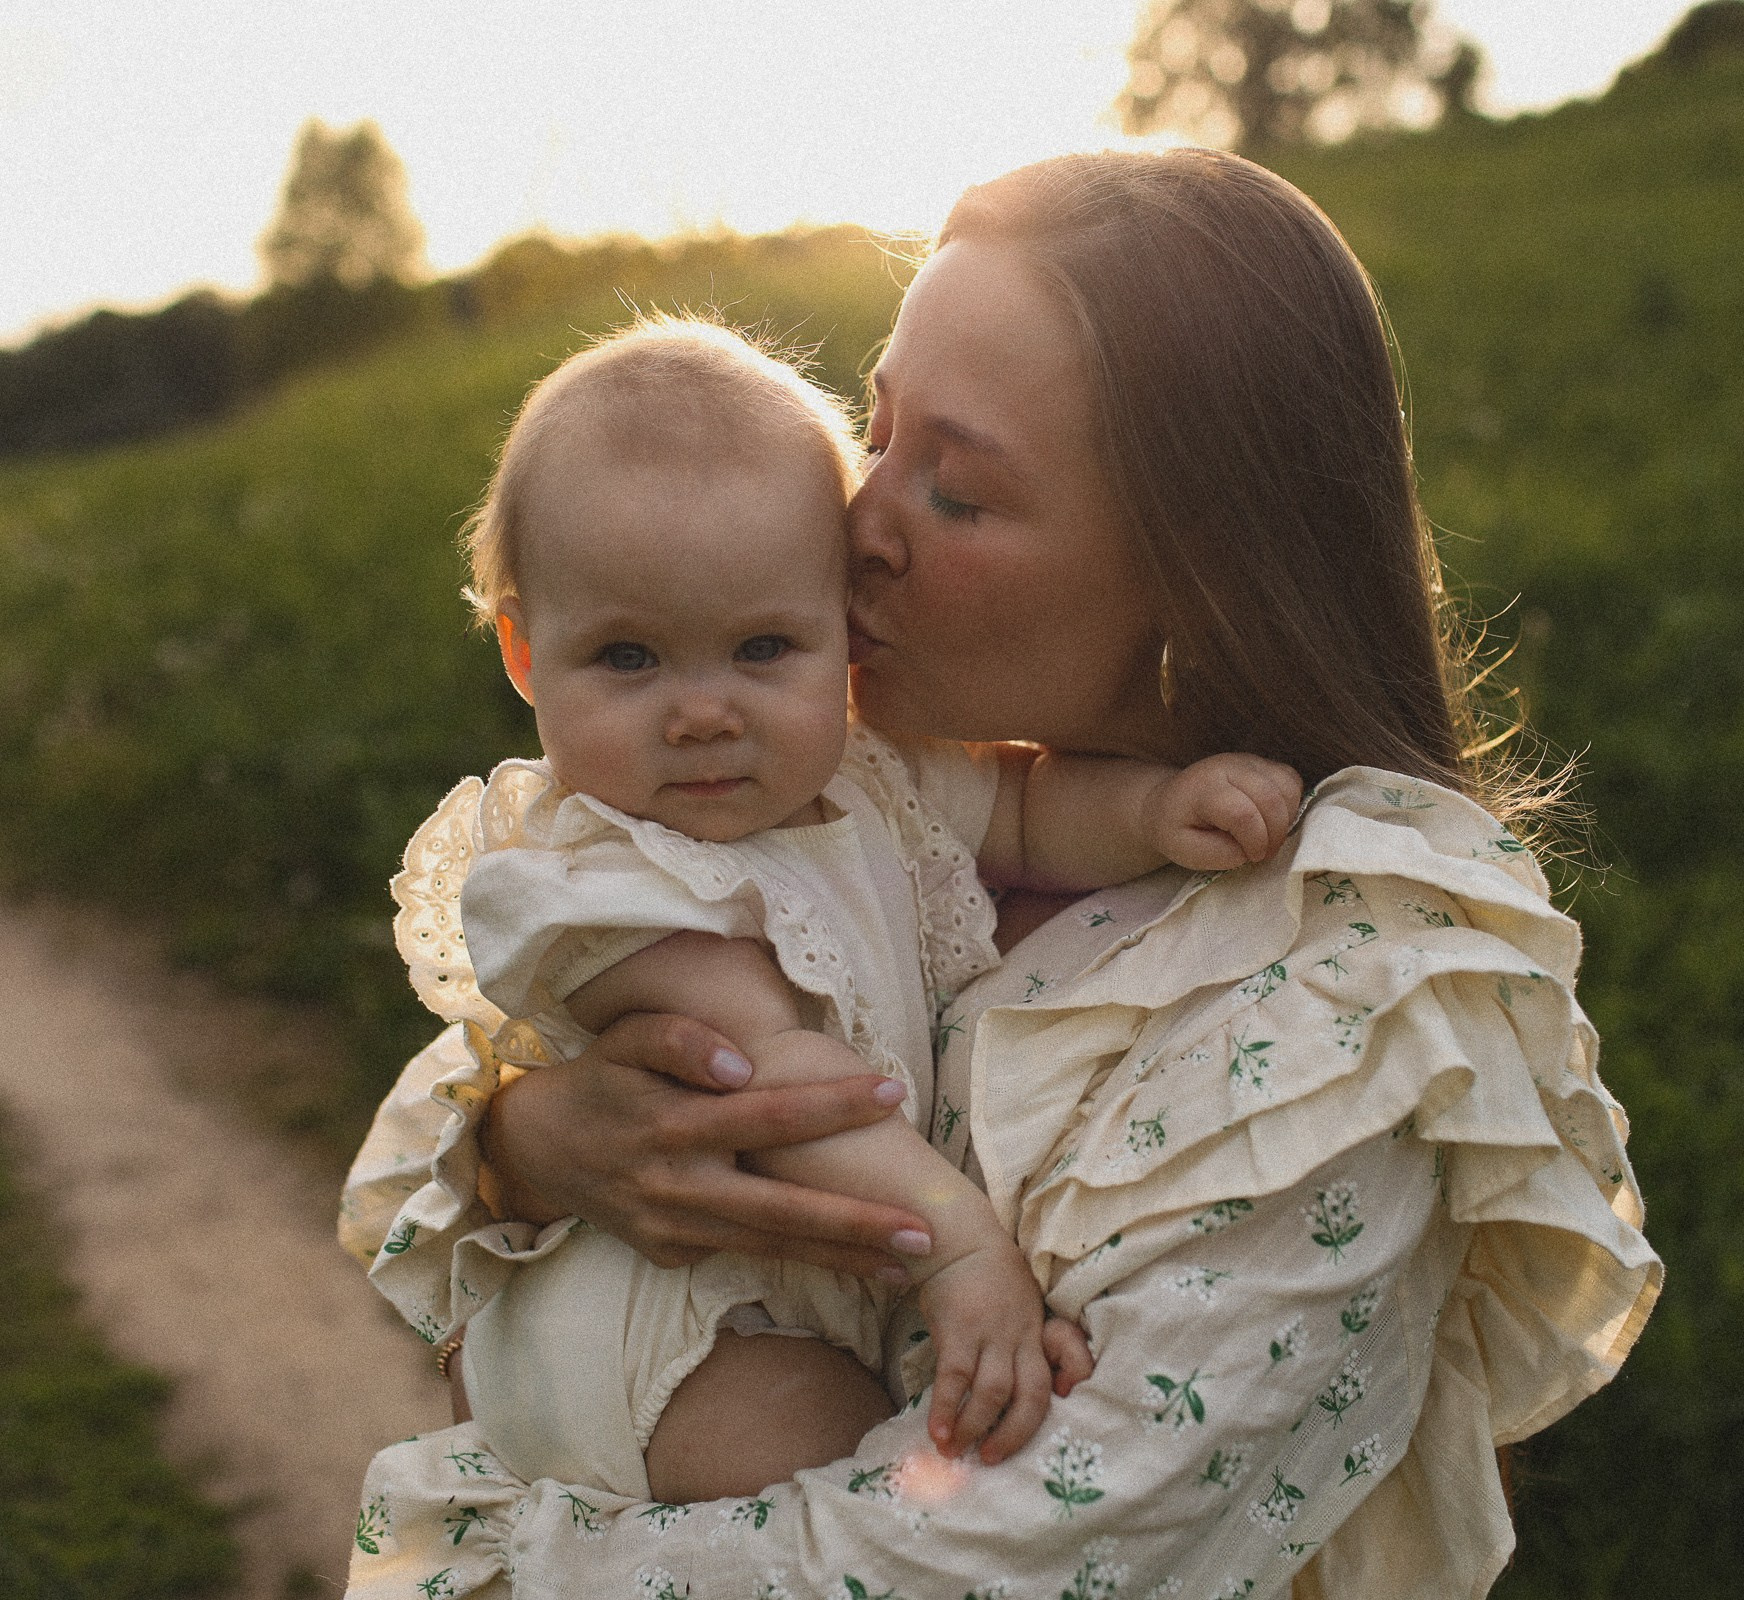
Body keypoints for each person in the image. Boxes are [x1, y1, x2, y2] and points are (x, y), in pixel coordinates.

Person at [341, 148, 1660, 1600]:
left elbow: (1009, 1559)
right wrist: (534, 1141)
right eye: (878, 432)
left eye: (954, 490)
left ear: (1202, 570)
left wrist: (505, 1565)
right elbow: (450, 1129)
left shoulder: (1351, 1007)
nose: (859, 524)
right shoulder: (858, 807)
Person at [372, 315, 1303, 1512]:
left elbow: (1020, 809)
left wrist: (1160, 807)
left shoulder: (867, 776)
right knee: (852, 1463)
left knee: (908, 1456)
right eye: (627, 658)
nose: (703, 712)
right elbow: (777, 1080)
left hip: (809, 1290)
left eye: (763, 646)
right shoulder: (592, 877)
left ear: (843, 630)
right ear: (522, 653)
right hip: (667, 1330)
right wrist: (966, 1253)